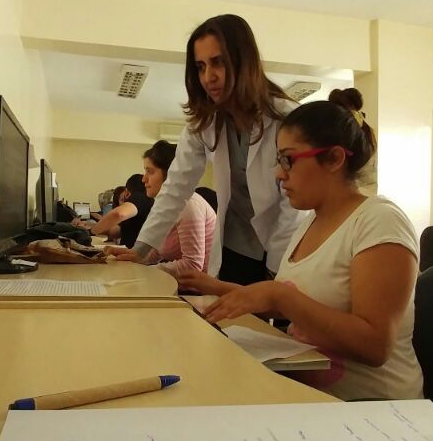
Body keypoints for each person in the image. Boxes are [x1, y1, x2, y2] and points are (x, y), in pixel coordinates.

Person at [200, 89, 423, 401]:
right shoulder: (309, 223)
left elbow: (375, 346)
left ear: (334, 158)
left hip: (368, 407)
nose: (279, 173)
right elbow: (293, 302)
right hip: (308, 394)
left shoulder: (379, 221)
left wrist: (278, 294)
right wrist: (212, 287)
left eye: (288, 160)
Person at [114, 14, 301, 283]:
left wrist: (277, 268)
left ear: (243, 61)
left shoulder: (287, 118)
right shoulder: (205, 123)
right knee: (232, 310)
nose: (208, 77)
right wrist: (141, 249)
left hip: (284, 241)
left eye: (218, 62)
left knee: (276, 308)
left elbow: (294, 207)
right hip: (236, 245)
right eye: (200, 67)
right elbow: (176, 187)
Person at [109, 141, 216, 279]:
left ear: (170, 174)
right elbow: (157, 253)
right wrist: (131, 258)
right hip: (181, 284)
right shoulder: (164, 205)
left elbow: (193, 265)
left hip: (199, 288)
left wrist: (147, 271)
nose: (143, 179)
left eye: (150, 172)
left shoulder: (189, 204)